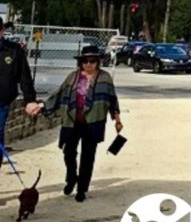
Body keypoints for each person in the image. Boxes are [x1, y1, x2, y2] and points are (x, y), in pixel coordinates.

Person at [30, 44, 123, 202]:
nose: (88, 64)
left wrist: (118, 120)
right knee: (68, 152)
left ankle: (82, 189)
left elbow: (112, 100)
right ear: (80, 62)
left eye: (92, 61)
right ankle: (72, 178)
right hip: (72, 120)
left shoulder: (105, 78)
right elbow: (59, 94)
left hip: (93, 122)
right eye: (85, 61)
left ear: (97, 62)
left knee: (88, 156)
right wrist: (42, 105)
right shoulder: (73, 77)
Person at [0, 18, 42, 154]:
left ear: (2, 30)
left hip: (2, 102)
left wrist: (30, 100)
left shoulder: (14, 50)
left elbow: (25, 77)